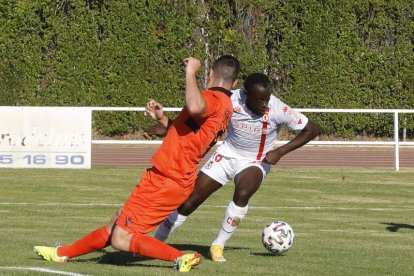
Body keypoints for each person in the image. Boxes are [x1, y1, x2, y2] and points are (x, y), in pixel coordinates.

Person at [33, 55, 241, 272]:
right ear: (234, 83)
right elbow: (190, 135)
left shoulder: (213, 98)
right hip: (175, 177)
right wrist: (162, 119)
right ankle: (62, 253)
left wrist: (190, 72)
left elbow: (195, 105)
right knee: (117, 221)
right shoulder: (226, 107)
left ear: (210, 74)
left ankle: (181, 257)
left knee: (121, 238)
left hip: (167, 178)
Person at [152, 72, 321, 262]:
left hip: (256, 161)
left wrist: (280, 152)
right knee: (190, 201)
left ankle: (218, 245)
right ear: (245, 94)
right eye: (259, 100)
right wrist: (170, 126)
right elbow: (199, 120)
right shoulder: (230, 100)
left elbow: (312, 129)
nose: (264, 104)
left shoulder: (278, 108)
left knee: (243, 192)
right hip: (227, 154)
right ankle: (155, 243)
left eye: (266, 99)